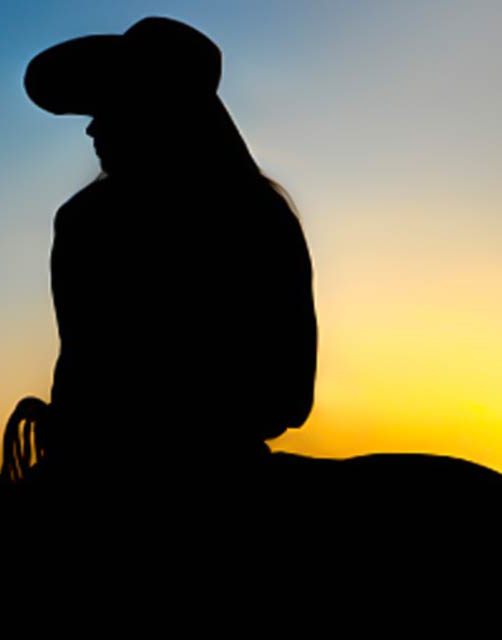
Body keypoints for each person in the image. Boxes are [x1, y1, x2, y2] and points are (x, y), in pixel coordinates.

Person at [23, 17, 318, 494]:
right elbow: (289, 397)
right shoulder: (263, 215)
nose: (93, 127)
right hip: (226, 469)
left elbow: (81, 373)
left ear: (155, 110)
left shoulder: (86, 221)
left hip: (111, 475)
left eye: (112, 105)